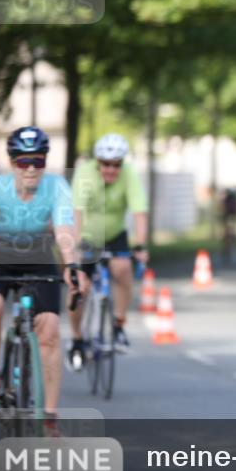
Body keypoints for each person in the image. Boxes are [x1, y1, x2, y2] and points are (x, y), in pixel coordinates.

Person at [0, 126, 88, 412]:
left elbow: (63, 231)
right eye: (24, 161)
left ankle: (48, 419)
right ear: (12, 163)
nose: (31, 168)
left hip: (38, 256)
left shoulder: (57, 186)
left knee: (48, 331)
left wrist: (71, 264)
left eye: (39, 160)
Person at [68, 133, 149, 366]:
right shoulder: (85, 173)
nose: (111, 169)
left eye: (116, 165)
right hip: (87, 237)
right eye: (105, 164)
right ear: (97, 162)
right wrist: (75, 248)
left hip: (114, 235)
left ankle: (119, 326)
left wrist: (140, 245)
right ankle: (76, 339)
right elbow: (76, 214)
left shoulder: (129, 175)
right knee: (78, 286)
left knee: (123, 269)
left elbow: (139, 212)